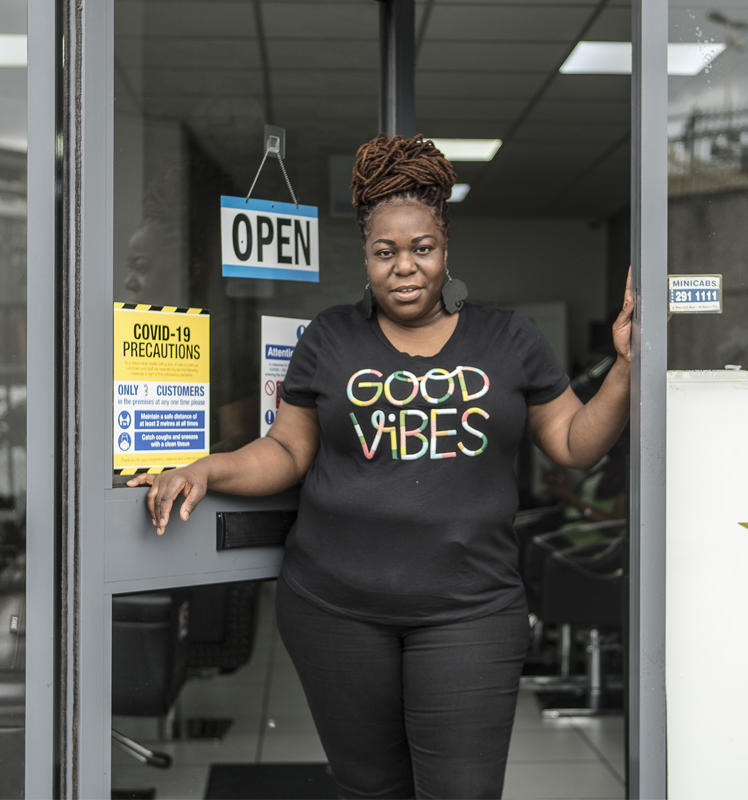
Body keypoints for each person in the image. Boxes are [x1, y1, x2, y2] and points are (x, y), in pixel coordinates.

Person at [128, 133, 634, 799]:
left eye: (421, 249)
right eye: (385, 252)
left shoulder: (510, 339)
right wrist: (205, 470)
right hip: (336, 612)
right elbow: (285, 450)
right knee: (370, 790)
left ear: (445, 248)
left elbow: (574, 443)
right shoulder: (330, 339)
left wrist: (626, 367)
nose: (405, 267)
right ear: (366, 258)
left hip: (469, 612)